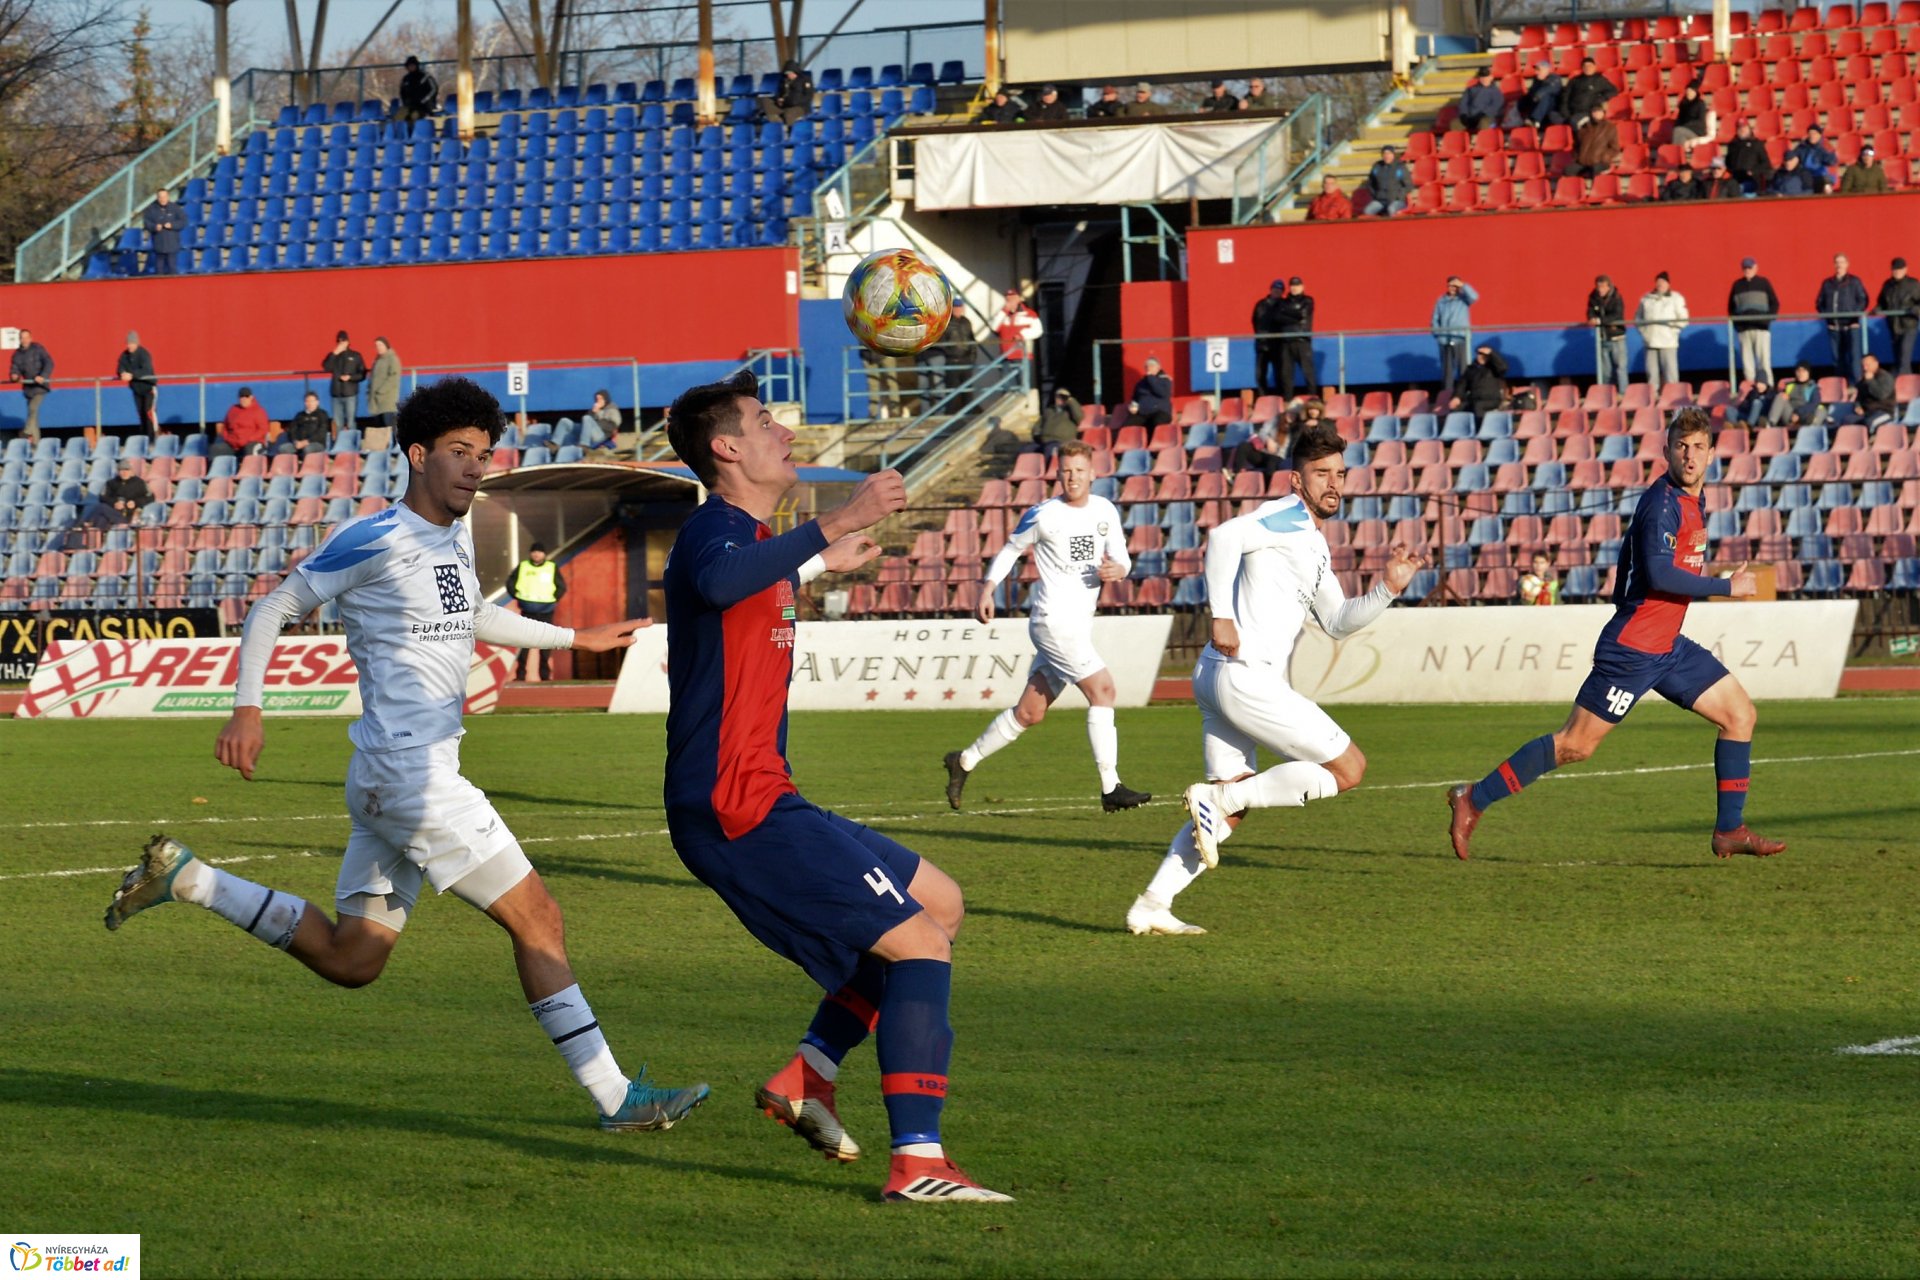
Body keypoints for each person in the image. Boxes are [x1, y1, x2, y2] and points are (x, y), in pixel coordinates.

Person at [104, 376, 707, 1133]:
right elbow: (274, 607)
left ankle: (190, 881)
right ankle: (618, 1099)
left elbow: (474, 615)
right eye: (460, 453)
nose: (475, 467)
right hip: (412, 775)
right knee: (540, 920)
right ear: (417, 455)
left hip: (393, 778)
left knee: (353, 959)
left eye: (484, 454)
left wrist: (573, 638)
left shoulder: (452, 535)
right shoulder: (375, 537)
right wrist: (247, 710)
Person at [661, 369, 1012, 1203]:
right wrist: (839, 520)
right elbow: (713, 584)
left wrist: (813, 564)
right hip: (732, 805)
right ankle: (918, 1164)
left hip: (764, 792)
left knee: (943, 904)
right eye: (763, 418)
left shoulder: (745, 539)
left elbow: (737, 599)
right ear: (726, 448)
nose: (782, 427)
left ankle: (807, 1076)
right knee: (918, 943)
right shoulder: (711, 530)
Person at [1126, 424, 1427, 935]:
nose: (1333, 483)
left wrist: (1386, 589)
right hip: (1245, 677)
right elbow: (1222, 537)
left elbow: (1336, 621)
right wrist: (1220, 614)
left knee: (1231, 807)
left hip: (1221, 678)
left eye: (1339, 474)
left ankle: (1152, 905)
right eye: (1320, 474)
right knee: (1348, 769)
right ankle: (1218, 799)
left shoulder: (1311, 542)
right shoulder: (1283, 515)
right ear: (1296, 480)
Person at [1447, 408, 1784, 863]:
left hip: (1667, 647)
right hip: (1632, 650)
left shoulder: (1693, 499)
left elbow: (1635, 568)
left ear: (1710, 455)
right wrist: (1726, 586)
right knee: (1574, 745)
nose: (1690, 455)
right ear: (1666, 451)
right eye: (1681, 447)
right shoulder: (1661, 504)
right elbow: (1661, 574)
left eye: (1699, 447)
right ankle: (1473, 798)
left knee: (1740, 715)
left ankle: (1730, 829)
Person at [945, 440, 1146, 814]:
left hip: (1076, 625)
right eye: (1066, 471)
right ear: (1057, 474)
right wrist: (987, 589)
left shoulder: (1104, 510)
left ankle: (964, 761)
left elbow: (1122, 559)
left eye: (1080, 471)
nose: (1073, 477)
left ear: (1093, 473)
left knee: (1030, 713)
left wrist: (1119, 569)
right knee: (1104, 690)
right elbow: (1009, 550)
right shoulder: (1043, 515)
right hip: (1053, 622)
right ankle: (1111, 786)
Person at [508, 543, 568, 681]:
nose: (536, 554)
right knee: (524, 644)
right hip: (527, 610)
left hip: (546, 611)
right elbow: (510, 582)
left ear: (544, 554)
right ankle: (520, 675)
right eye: (534, 551)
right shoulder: (523, 566)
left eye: (539, 552)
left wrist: (554, 599)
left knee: (546, 644)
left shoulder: (551, 567)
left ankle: (545, 676)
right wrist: (517, 595)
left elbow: (561, 586)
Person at [1727, 256, 1780, 386]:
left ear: (1756, 268)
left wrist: (1767, 320)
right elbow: (1731, 308)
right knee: (1747, 364)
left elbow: (1775, 303)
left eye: (1750, 267)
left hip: (1761, 329)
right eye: (1745, 268)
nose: (1747, 270)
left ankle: (1769, 388)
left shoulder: (1764, 283)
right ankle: (1751, 390)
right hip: (1744, 330)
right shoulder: (1737, 285)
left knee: (1764, 362)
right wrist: (1738, 326)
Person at [1818, 254, 1870, 383]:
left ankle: (1856, 385)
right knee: (1837, 359)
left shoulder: (1854, 281)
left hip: (1851, 327)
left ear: (1847, 264)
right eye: (1836, 262)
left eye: (1842, 262)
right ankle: (1841, 386)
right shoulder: (1827, 283)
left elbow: (1863, 300)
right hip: (1834, 328)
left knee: (1854, 358)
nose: (1839, 265)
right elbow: (1820, 303)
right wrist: (1828, 318)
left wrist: (1854, 317)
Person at [1634, 272, 1688, 393]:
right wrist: (1644, 332)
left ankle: (1673, 396)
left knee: (1670, 372)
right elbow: (1638, 318)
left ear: (1668, 284)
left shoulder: (1676, 298)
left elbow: (1683, 318)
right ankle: (1653, 397)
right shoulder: (1646, 298)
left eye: (1663, 282)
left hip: (1668, 341)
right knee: (1651, 372)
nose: (1660, 284)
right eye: (1658, 282)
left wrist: (1673, 331)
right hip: (1650, 340)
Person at [1431, 275, 1478, 397]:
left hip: (1460, 339)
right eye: (1450, 285)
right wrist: (1439, 335)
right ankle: (1447, 396)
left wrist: (1463, 285)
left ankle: (1464, 395)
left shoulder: (1463, 299)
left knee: (1463, 369)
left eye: (1455, 285)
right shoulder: (1441, 301)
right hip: (1445, 340)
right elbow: (1435, 319)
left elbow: (1475, 296)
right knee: (1447, 372)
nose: (1452, 288)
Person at [1271, 276, 1317, 399]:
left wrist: (1287, 314)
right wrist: (1294, 318)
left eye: (1297, 285)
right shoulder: (1283, 302)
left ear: (1302, 287)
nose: (1294, 288)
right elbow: (1277, 317)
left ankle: (1313, 399)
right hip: (1286, 341)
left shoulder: (1308, 300)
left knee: (1308, 372)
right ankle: (1287, 399)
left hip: (1302, 340)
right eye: (1292, 285)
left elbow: (1302, 313)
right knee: (1286, 374)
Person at [78, 458, 153, 533]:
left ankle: (88, 523)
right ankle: (96, 541)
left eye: (126, 470)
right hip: (113, 513)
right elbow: (103, 497)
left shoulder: (140, 483)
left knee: (101, 508)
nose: (123, 473)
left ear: (131, 471)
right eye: (121, 470)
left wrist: (135, 502)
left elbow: (150, 497)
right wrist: (114, 503)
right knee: (101, 519)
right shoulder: (111, 483)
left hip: (129, 515)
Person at [1876, 256, 1920, 377]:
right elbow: (1882, 302)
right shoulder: (1888, 285)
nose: (1897, 272)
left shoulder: (1913, 284)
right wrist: (1878, 309)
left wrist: (1916, 309)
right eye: (1894, 269)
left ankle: (1900, 385)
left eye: (1899, 269)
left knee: (1904, 356)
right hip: (1893, 326)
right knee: (1898, 358)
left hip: (1908, 325)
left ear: (1905, 270)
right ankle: (1909, 385)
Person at [1586, 275, 1629, 395]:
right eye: (1598, 286)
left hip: (1617, 337)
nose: (1600, 290)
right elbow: (1590, 311)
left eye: (1603, 287)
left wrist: (1600, 321)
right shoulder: (1593, 297)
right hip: (1603, 338)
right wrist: (1592, 318)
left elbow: (1617, 315)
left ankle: (1623, 394)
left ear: (1609, 287)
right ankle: (1606, 395)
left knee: (1620, 368)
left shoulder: (1616, 297)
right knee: (1605, 371)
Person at [9, 328, 53, 443]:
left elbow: (49, 362)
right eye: (22, 338)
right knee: (33, 417)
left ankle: (26, 431)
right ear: (19, 339)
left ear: (31, 338)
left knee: (33, 409)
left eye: (26, 337)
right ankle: (36, 445)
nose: (24, 340)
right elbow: (15, 369)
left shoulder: (38, 349)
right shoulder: (17, 354)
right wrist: (14, 376)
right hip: (28, 388)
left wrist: (43, 375)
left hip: (40, 386)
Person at [323, 330, 368, 434]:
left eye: (343, 340)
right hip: (336, 394)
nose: (341, 343)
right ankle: (340, 445)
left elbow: (362, 374)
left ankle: (352, 445)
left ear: (348, 342)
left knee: (351, 421)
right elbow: (326, 367)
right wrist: (334, 353)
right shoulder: (334, 356)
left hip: (350, 394)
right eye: (339, 341)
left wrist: (350, 377)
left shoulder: (355, 355)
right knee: (337, 423)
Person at [1251, 280, 1289, 398]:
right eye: (1275, 288)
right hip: (1263, 344)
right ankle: (1263, 396)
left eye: (1279, 289)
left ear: (1282, 292)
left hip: (1279, 344)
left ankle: (1280, 397)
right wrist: (1261, 335)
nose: (1277, 291)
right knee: (1260, 373)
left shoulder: (1285, 304)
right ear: (1270, 289)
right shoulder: (1261, 304)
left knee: (1280, 372)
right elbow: (1255, 321)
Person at [117, 331, 158, 434]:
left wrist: (131, 375)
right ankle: (144, 437)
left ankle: (152, 437)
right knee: (140, 413)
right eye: (128, 343)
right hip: (136, 389)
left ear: (137, 343)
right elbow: (120, 367)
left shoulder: (144, 354)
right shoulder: (124, 355)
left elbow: (146, 370)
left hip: (148, 388)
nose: (129, 346)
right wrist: (122, 374)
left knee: (148, 412)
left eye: (131, 343)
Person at [212, 387, 270, 459]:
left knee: (249, 449)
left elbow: (263, 430)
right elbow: (225, 428)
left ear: (251, 397)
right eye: (241, 397)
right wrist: (228, 439)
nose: (244, 399)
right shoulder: (233, 409)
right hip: (233, 444)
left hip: (252, 443)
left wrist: (248, 440)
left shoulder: (259, 411)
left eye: (246, 396)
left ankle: (249, 469)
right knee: (216, 449)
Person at [1454, 344, 1509, 419]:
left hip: (1491, 399)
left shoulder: (1494, 368)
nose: (1481, 357)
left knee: (1478, 407)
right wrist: (1457, 397)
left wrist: (1491, 353)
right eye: (1479, 354)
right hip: (1474, 399)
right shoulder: (1471, 369)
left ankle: (1480, 429)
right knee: (1457, 408)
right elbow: (1462, 385)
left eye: (1484, 355)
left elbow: (1503, 367)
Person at [365, 336, 401, 449]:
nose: (378, 348)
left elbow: (394, 377)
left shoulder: (392, 359)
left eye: (380, 345)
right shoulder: (378, 360)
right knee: (379, 425)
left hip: (387, 399)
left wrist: (381, 390)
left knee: (389, 423)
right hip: (376, 399)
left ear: (386, 345)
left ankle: (395, 446)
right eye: (376, 346)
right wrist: (369, 391)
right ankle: (383, 447)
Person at [1767, 363, 1828, 427]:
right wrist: (1783, 395)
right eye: (1798, 371)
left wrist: (1798, 413)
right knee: (1780, 396)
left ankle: (1811, 426)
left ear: (1808, 373)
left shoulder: (1813, 387)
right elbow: (1779, 402)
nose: (1801, 373)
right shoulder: (1790, 386)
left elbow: (1814, 403)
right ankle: (1770, 423)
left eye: (1804, 371)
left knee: (1821, 410)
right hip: (1791, 416)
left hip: (1806, 414)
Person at [142, 188, 185, 275]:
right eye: (160, 197)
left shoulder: (175, 208)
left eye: (164, 197)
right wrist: (154, 227)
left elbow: (183, 221)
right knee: (159, 269)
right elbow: (146, 223)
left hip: (172, 244)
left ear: (168, 197)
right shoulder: (151, 209)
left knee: (172, 268)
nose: (162, 199)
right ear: (157, 198)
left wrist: (172, 225)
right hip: (159, 244)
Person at [759, 59, 814, 126]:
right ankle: (778, 123)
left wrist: (789, 101)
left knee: (789, 113)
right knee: (766, 101)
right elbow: (780, 93)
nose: (788, 75)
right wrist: (778, 99)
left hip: (800, 107)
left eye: (790, 73)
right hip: (784, 105)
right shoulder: (784, 81)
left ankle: (791, 131)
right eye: (787, 73)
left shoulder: (805, 80)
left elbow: (808, 96)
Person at [1724, 119, 1774, 193]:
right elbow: (1728, 162)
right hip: (1735, 180)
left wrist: (1753, 171)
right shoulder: (1732, 145)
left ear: (1749, 128)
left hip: (1751, 180)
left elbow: (1766, 164)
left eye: (1744, 127)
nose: (1742, 130)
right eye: (1739, 128)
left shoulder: (1757, 144)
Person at [1572, 106, 1621, 180]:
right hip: (1583, 162)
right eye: (1594, 112)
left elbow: (1615, 148)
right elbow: (1576, 145)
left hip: (1600, 161)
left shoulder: (1610, 127)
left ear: (1603, 113)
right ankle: (1576, 189)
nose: (1596, 114)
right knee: (1568, 170)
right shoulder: (1584, 128)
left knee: (1595, 169)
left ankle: (1594, 189)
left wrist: (1604, 157)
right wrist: (1577, 157)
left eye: (1599, 111)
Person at [1562, 56, 1617, 122]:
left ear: (1594, 67)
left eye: (1590, 65)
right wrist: (1565, 113)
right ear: (1582, 68)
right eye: (1585, 66)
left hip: (1587, 112)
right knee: (1554, 118)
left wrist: (1602, 97)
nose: (1587, 68)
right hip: (1572, 111)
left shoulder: (1599, 80)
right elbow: (1565, 96)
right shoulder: (1575, 80)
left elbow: (1613, 90)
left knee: (1575, 120)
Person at [1362, 145, 1412, 217]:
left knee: (1391, 209)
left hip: (1396, 200)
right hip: (1380, 200)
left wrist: (1399, 197)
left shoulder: (1400, 167)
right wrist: (1376, 195)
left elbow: (1409, 185)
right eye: (1384, 154)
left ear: (1393, 155)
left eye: (1389, 153)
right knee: (1368, 211)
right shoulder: (1377, 166)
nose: (1387, 156)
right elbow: (1370, 183)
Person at [994, 288, 1042, 362]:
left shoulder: (1029, 313)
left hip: (1023, 355)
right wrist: (1004, 311)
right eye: (1008, 299)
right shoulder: (1002, 314)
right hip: (1005, 356)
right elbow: (994, 327)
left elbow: (1038, 330)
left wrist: (1022, 335)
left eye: (1013, 298)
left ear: (1019, 299)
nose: (1010, 301)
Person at [1123, 356, 1173, 428]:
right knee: (1128, 427)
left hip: (1160, 412)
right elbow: (1135, 398)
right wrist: (1133, 406)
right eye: (1146, 366)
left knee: (1156, 424)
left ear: (1158, 368)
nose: (1148, 368)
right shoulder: (1140, 383)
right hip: (1142, 412)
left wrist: (1151, 378)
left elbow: (1162, 393)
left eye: (1152, 365)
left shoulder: (1165, 380)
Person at [1852, 353, 1898, 427]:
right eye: (1863, 366)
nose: (1865, 368)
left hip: (1884, 411)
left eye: (1867, 365)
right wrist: (1857, 406)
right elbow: (1859, 397)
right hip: (1867, 411)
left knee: (1869, 423)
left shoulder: (1885, 377)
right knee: (1847, 420)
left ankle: (1870, 437)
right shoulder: (1863, 380)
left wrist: (1870, 381)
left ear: (1876, 363)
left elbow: (1881, 395)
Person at [1034, 387, 1082, 457]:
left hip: (1061, 441)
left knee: (1050, 450)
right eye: (1058, 396)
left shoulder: (1071, 411)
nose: (1060, 399)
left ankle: (1050, 467)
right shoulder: (1049, 411)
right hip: (1044, 441)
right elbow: (1038, 425)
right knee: (1025, 450)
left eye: (1063, 397)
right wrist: (1036, 434)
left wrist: (1071, 401)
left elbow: (1079, 417)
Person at [284, 390, 332, 458]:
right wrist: (295, 441)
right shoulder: (299, 415)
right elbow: (292, 430)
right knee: (283, 448)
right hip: (298, 443)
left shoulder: (322, 414)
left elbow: (322, 432)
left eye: (312, 401)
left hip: (316, 443)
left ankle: (308, 467)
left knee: (307, 449)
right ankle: (292, 466)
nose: (309, 403)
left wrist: (306, 442)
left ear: (317, 402)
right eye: (307, 401)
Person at [1790, 126, 1839, 192]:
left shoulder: (1826, 146)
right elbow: (1792, 158)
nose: (1812, 136)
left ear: (1820, 135)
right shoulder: (1802, 146)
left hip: (1822, 175)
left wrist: (1821, 152)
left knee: (1826, 186)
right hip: (1806, 175)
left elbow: (1832, 161)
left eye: (1814, 133)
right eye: (1810, 133)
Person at [1455, 68, 1503, 133]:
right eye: (1482, 77)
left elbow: (1496, 106)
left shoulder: (1496, 91)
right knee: (1455, 124)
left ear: (1491, 77)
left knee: (1484, 123)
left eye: (1486, 77)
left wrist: (1483, 114)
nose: (1484, 79)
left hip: (1486, 117)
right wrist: (1464, 114)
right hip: (1470, 117)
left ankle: (1484, 142)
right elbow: (1463, 103)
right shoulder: (1471, 89)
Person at [1518, 62, 1564, 127]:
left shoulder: (1554, 78)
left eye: (1538, 70)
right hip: (1539, 107)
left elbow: (1549, 89)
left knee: (1545, 96)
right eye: (1536, 70)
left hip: (1553, 108)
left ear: (1547, 70)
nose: (1536, 72)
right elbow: (1531, 94)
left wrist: (1537, 95)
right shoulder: (1536, 80)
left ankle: (1534, 120)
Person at [394, 56, 438, 123]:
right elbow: (402, 92)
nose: (411, 67)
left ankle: (413, 132)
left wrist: (424, 101)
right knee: (397, 119)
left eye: (413, 65)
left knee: (413, 117)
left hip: (423, 107)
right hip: (408, 106)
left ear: (417, 65)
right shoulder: (406, 79)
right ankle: (401, 133)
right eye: (409, 66)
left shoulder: (425, 76)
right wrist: (405, 102)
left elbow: (434, 89)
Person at [1670, 81, 1711, 148]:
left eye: (1691, 91)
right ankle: (1680, 154)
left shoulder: (1700, 104)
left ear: (1695, 92)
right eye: (1688, 91)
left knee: (1678, 131)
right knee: (1677, 132)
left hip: (1696, 131)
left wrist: (1686, 125)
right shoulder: (1683, 104)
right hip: (1684, 129)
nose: (1689, 93)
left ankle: (1676, 152)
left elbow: (1701, 121)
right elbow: (1679, 118)